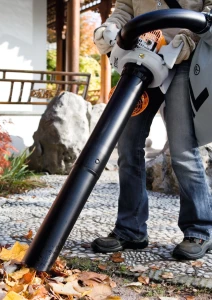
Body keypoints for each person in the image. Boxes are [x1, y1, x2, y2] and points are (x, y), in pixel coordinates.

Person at [91, 0, 212, 260]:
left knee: (182, 148)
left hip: (184, 59)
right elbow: (124, 8)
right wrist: (110, 28)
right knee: (128, 146)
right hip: (141, 57)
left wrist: (189, 38)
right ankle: (130, 229)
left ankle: (199, 229)